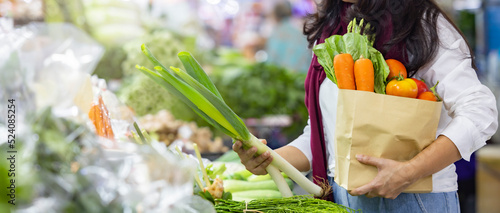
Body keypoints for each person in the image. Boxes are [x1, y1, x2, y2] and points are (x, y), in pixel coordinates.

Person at [233, 0, 498, 212]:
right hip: (344, 200)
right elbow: (325, 137)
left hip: (416, 201)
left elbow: (480, 111)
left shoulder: (422, 23)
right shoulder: (330, 28)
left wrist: (409, 171)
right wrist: (271, 160)